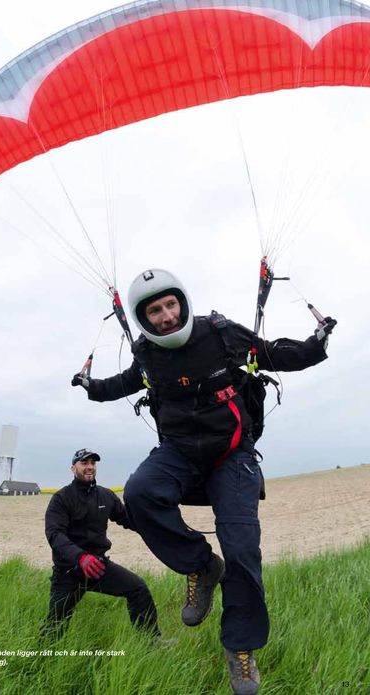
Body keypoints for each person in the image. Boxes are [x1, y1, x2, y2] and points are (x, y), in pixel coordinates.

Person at [72, 268, 334, 695]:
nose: (166, 316)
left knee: (242, 547)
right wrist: (90, 386)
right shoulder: (148, 355)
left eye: (170, 304)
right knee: (138, 493)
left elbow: (272, 354)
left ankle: (241, 648)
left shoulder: (219, 333)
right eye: (154, 311)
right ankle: (201, 565)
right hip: (178, 452)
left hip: (232, 454)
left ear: (183, 302)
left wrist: (315, 343)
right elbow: (123, 383)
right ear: (143, 318)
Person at [43, 448, 159, 639]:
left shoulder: (106, 496)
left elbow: (128, 520)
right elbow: (55, 535)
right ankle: (44, 656)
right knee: (54, 626)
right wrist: (80, 557)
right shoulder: (62, 499)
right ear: (73, 468)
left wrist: (157, 526)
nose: (89, 467)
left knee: (138, 589)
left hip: (97, 567)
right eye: (84, 463)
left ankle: (151, 640)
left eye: (93, 463)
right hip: (69, 571)